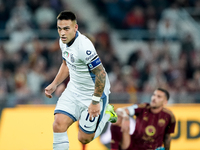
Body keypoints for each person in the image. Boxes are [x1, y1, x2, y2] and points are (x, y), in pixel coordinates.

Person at [44, 10, 117, 150]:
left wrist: (95, 102)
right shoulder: (63, 41)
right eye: (59, 29)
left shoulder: (84, 46)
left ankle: (107, 113)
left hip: (92, 94)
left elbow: (101, 74)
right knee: (58, 124)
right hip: (73, 90)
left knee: (84, 138)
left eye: (66, 28)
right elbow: (66, 64)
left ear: (75, 27)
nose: (62, 33)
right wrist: (54, 84)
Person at [111, 88, 176, 150]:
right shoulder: (142, 107)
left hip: (153, 148)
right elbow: (120, 110)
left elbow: (167, 137)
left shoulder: (169, 116)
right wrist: (125, 116)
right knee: (118, 119)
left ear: (165, 102)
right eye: (154, 95)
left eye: (158, 97)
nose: (154, 98)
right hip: (134, 146)